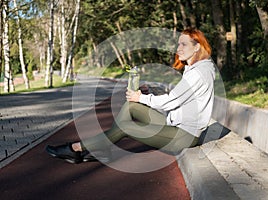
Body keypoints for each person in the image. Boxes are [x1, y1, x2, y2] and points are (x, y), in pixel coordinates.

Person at [46, 28, 216, 164]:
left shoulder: (199, 73)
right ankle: (102, 149)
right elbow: (181, 99)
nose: (178, 49)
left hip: (185, 135)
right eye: (178, 44)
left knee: (126, 126)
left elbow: (171, 102)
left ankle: (76, 148)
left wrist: (141, 97)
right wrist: (143, 97)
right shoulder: (195, 69)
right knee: (130, 106)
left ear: (197, 46)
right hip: (175, 124)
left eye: (184, 44)